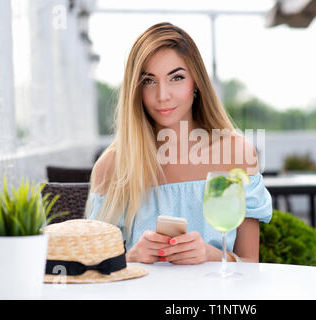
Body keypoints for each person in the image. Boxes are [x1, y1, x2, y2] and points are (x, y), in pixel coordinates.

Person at [86, 22, 272, 265]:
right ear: (136, 89)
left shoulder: (236, 153)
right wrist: (130, 257)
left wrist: (211, 255)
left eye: (176, 77)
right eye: (149, 80)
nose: (163, 95)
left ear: (196, 83)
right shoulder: (111, 165)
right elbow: (95, 268)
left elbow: (250, 262)